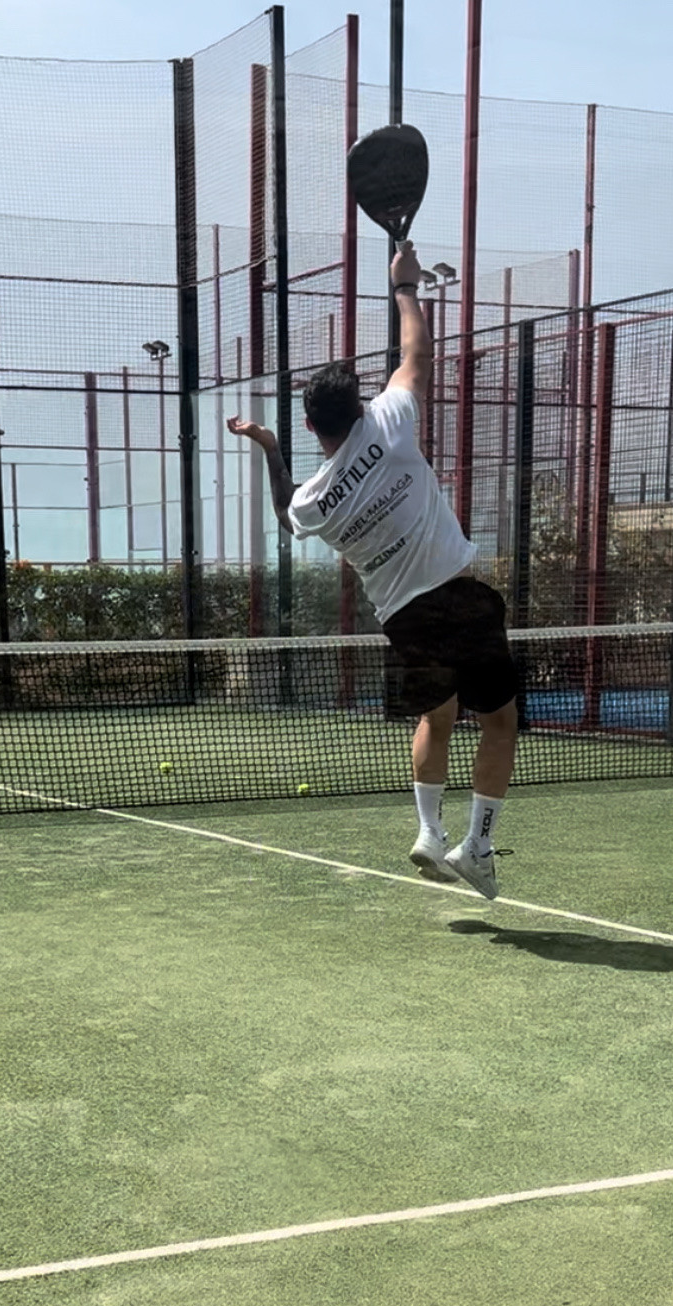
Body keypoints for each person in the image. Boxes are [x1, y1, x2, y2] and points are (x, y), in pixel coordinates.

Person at [226, 241, 519, 900]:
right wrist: (405, 288)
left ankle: (429, 832)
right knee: (498, 724)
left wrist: (269, 447)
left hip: (404, 620)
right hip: (458, 597)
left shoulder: (313, 502)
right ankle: (476, 847)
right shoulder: (389, 419)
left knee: (436, 718)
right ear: (360, 405)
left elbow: (284, 509)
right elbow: (418, 356)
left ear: (310, 426)